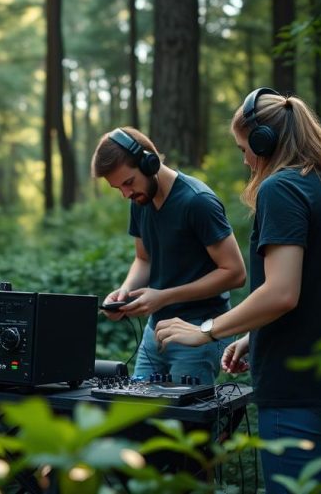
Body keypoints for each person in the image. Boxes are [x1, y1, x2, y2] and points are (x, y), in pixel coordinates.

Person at [154, 88, 321, 493]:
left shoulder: (281, 189)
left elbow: (282, 292)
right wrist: (255, 336)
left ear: (263, 142)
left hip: (298, 391)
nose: (245, 160)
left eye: (244, 148)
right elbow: (320, 289)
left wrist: (206, 330)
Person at [91, 127, 246, 384]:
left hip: (199, 332)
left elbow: (235, 273)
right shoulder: (139, 202)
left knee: (183, 422)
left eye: (128, 182)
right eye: (118, 188)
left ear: (149, 162)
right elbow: (144, 259)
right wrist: (125, 292)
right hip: (156, 333)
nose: (126, 194)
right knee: (138, 416)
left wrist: (164, 297)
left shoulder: (198, 202)